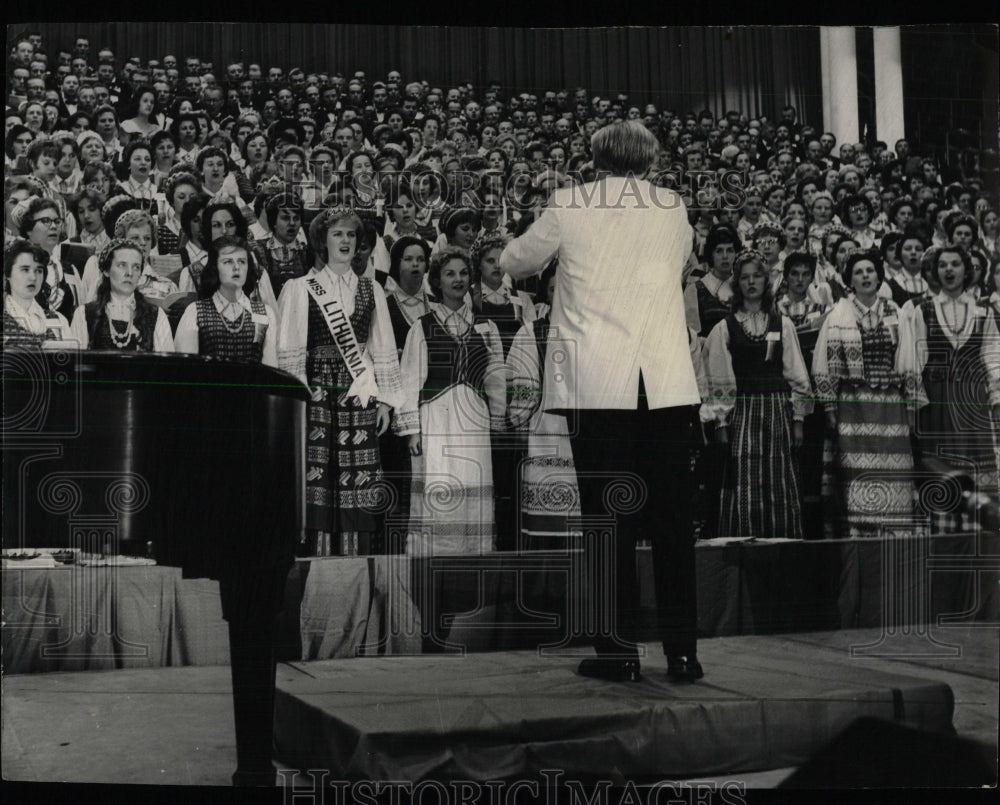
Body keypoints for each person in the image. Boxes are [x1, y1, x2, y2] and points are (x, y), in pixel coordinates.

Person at [500, 121, 703, 684]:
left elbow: (514, 262)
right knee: (671, 522)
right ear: (649, 158)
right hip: (664, 384)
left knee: (608, 521)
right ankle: (684, 654)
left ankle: (618, 654)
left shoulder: (569, 203)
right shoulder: (672, 206)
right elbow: (678, 265)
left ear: (594, 158)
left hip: (599, 385)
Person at [276, 206, 406, 557]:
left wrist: (386, 400)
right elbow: (291, 349)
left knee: (359, 479)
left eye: (351, 234)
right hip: (317, 391)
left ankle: (355, 566)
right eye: (338, 234)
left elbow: (383, 347)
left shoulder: (372, 289)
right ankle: (317, 569)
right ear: (323, 239)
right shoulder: (300, 288)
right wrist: (297, 399)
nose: (346, 241)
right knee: (318, 477)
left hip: (358, 393)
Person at [399, 247, 505, 555]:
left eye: (462, 273)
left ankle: (475, 557)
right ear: (437, 281)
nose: (457, 280)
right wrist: (412, 430)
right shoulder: (422, 326)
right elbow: (409, 380)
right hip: (437, 421)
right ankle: (434, 558)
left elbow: (495, 379)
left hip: (474, 422)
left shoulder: (486, 328)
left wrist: (497, 419)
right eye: (449, 274)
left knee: (473, 485)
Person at [702, 249, 813, 541]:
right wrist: (721, 424)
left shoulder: (782, 323)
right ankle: (744, 548)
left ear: (766, 282)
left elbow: (796, 374)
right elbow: (719, 379)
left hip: (778, 413)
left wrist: (798, 418)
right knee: (745, 479)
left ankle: (782, 546)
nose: (751, 283)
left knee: (779, 479)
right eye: (745, 278)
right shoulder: (723, 328)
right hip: (743, 415)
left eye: (757, 277)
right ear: (737, 284)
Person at [812, 250, 916, 538]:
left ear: (879, 276)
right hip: (853, 406)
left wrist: (910, 408)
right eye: (858, 272)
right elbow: (823, 365)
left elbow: (907, 357)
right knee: (855, 474)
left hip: (890, 407)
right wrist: (831, 410)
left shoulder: (895, 311)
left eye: (870, 270)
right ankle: (859, 535)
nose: (865, 276)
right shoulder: (837, 315)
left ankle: (894, 533)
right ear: (850, 280)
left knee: (893, 471)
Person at [899, 246, 1000, 532]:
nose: (949, 270)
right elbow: (914, 362)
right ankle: (944, 539)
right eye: (943, 265)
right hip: (937, 403)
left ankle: (982, 535)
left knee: (977, 474)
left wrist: (996, 401)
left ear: (966, 270)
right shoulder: (922, 311)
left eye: (955, 264)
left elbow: (993, 358)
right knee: (941, 470)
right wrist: (913, 408)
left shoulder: (984, 311)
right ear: (935, 271)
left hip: (973, 403)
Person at [174, 235, 278, 366]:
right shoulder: (195, 312)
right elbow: (185, 371)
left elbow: (270, 372)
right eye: (228, 261)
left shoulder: (265, 313)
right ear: (215, 267)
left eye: (242, 261)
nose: (236, 267)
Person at [70, 237, 174, 351]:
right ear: (106, 271)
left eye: (136, 267)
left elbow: (167, 366)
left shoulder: (156, 316)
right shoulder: (84, 315)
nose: (129, 273)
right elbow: (76, 364)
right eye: (122, 265)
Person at [3, 238, 72, 345]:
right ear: (8, 274)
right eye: (25, 270)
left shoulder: (58, 321)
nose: (33, 277)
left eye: (39, 270)